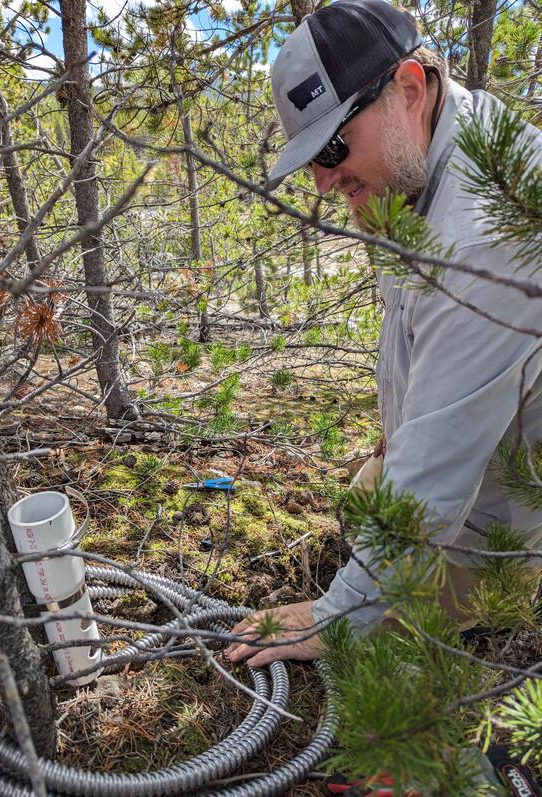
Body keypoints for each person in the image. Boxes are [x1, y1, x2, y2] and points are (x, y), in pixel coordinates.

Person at [226, 0, 542, 668]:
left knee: (376, 670)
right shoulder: (420, 158)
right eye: (312, 158)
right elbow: (424, 337)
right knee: (365, 490)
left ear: (407, 85)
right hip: (485, 474)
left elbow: (431, 483)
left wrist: (333, 616)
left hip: (514, 534)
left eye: (334, 146)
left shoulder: (483, 234)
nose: (322, 179)